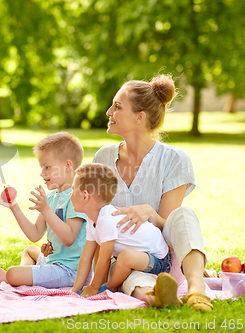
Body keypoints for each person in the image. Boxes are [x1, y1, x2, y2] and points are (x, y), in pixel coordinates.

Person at [91, 74, 212, 310]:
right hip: (121, 262)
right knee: (132, 276)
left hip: (163, 256)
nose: (108, 112)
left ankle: (197, 290)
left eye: (117, 106)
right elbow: (93, 219)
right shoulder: (103, 158)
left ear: (139, 117)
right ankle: (158, 297)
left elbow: (169, 230)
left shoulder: (174, 160)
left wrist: (150, 213)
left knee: (183, 215)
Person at [0, 132, 88, 288]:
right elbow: (34, 234)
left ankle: (10, 278)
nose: (42, 173)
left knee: (13, 273)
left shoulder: (78, 196)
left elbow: (69, 238)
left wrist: (46, 209)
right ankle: (26, 276)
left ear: (68, 166)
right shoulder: (53, 196)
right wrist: (14, 207)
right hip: (53, 263)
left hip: (71, 270)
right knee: (29, 250)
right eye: (42, 168)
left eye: (47, 167)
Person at [69, 163, 173, 299]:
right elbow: (86, 257)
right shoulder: (92, 219)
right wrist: (75, 289)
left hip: (160, 260)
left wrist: (94, 287)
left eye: (72, 189)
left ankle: (110, 286)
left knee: (124, 257)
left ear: (85, 196)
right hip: (140, 258)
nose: (70, 194)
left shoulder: (106, 220)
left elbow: (104, 260)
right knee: (123, 258)